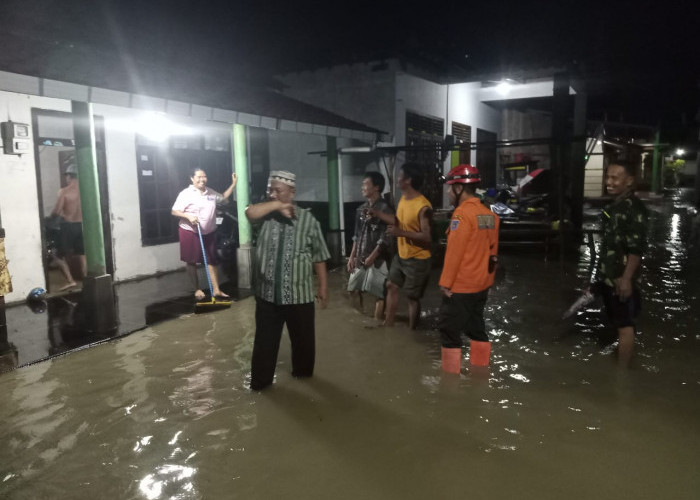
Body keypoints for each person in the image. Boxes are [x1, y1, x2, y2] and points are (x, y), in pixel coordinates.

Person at [245, 170, 330, 391]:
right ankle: (261, 386)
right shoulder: (264, 216)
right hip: (267, 295)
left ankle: (304, 383)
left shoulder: (309, 220)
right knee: (264, 345)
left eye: (278, 190)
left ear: (292, 192)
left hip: (299, 295)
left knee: (303, 346)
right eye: (269, 190)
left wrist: (323, 286)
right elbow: (249, 212)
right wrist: (276, 205)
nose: (272, 194)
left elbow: (319, 256)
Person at [437, 165, 499, 373]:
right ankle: (481, 371)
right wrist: (489, 281)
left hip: (461, 287)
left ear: (459, 189)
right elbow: (493, 253)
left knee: (448, 330)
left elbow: (455, 253)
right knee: (476, 328)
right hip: (481, 285)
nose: (448, 191)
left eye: (450, 187)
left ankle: (450, 380)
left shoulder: (461, 215)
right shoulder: (488, 215)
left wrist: (446, 283)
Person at [594, 160, 648, 365]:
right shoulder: (615, 206)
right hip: (609, 277)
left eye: (615, 177)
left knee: (625, 326)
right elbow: (610, 245)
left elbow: (636, 249)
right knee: (617, 322)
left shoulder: (634, 208)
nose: (609, 181)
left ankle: (622, 377)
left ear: (629, 181)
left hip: (620, 279)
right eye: (608, 177)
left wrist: (626, 278)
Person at [369, 162, 432, 329]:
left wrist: (401, 233)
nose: (397, 179)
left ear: (408, 180)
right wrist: (377, 214)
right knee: (391, 285)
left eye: (400, 176)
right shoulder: (404, 199)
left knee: (412, 297)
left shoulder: (423, 206)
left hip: (418, 258)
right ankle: (388, 323)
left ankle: (413, 331)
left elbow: (427, 237)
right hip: (402, 255)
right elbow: (398, 222)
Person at [171, 168, 237, 301]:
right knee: (192, 260)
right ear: (192, 178)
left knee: (211, 259)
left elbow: (223, 198)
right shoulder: (186, 194)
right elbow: (174, 211)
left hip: (208, 231)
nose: (202, 179)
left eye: (204, 176)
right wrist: (188, 216)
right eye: (199, 177)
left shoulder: (210, 193)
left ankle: (217, 290)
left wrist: (234, 183)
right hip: (190, 231)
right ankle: (197, 289)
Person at [347, 171, 394, 319]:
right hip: (361, 255)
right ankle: (361, 319)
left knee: (379, 294)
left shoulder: (385, 209)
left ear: (376, 187)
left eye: (365, 184)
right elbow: (357, 235)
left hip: (379, 258)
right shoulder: (360, 209)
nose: (362, 187)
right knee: (353, 290)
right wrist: (351, 256)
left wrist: (373, 256)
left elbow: (386, 236)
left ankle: (376, 323)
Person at [51, 159, 86, 291]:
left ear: (69, 176)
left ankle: (70, 281)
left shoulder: (64, 191)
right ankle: (87, 279)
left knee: (57, 255)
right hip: (82, 225)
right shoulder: (86, 191)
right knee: (82, 254)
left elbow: (57, 211)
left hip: (68, 226)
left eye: (66, 176)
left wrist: (51, 218)